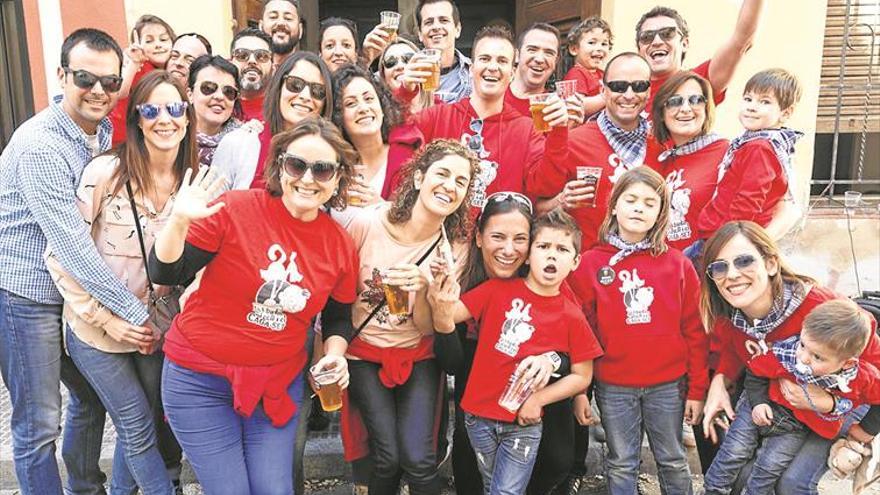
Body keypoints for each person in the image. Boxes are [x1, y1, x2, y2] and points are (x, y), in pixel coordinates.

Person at [148, 118, 359, 494]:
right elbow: (167, 270)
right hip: (200, 380)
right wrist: (178, 220)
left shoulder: (339, 244)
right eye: (297, 165)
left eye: (323, 169)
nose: (308, 179)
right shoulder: (235, 208)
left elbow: (339, 317)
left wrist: (336, 353)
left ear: (338, 178)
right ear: (279, 165)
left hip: (276, 383)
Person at [0, 28, 143, 495]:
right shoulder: (42, 144)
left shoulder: (97, 129)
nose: (99, 90)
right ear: (62, 75)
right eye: (85, 78)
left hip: (70, 294)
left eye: (110, 81)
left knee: (88, 398)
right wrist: (135, 311)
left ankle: (85, 488)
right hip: (29, 296)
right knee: (39, 423)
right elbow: (73, 246)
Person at [45, 70, 196, 495]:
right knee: (135, 425)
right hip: (97, 330)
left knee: (146, 423)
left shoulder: (192, 183)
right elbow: (61, 255)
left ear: (187, 119)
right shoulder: (105, 173)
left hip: (155, 330)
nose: (164, 118)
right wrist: (106, 319)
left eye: (174, 108)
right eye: (151, 109)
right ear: (137, 120)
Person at [427, 208, 602, 495]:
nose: (551, 255)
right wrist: (441, 288)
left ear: (575, 261)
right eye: (543, 246)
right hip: (478, 416)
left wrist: (540, 399)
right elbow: (451, 314)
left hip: (523, 420)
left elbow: (582, 375)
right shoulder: (496, 289)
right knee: (492, 484)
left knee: (505, 491)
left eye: (561, 249)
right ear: (529, 254)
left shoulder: (571, 314)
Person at [700, 221, 880, 494]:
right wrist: (720, 380)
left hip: (843, 400)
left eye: (744, 261)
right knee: (743, 472)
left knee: (792, 483)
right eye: (720, 267)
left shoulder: (824, 309)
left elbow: (873, 370)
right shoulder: (734, 316)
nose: (732, 274)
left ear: (771, 263)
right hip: (786, 406)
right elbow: (739, 350)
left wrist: (836, 408)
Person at [343, 139, 477, 495]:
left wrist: (423, 291)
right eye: (442, 174)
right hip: (364, 352)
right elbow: (339, 295)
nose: (450, 185)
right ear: (419, 178)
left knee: (418, 459)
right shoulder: (367, 225)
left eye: (460, 182)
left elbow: (425, 328)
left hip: (417, 354)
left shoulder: (454, 251)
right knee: (386, 457)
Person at [568, 166, 708, 494]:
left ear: (660, 214)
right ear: (614, 205)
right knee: (621, 461)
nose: (638, 208)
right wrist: (579, 390)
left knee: (672, 458)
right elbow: (580, 332)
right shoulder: (591, 263)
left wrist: (697, 390)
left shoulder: (678, 264)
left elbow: (695, 331)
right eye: (630, 199)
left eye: (649, 203)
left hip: (667, 385)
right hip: (614, 385)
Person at [703, 299, 880, 493]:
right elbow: (756, 370)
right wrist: (758, 403)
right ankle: (712, 490)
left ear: (846, 363)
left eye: (817, 357)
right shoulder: (787, 352)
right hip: (764, 405)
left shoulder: (861, 378)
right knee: (733, 452)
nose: (803, 358)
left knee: (769, 468)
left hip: (797, 427)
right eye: (803, 345)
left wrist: (864, 431)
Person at [401, 25, 568, 211]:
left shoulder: (527, 129)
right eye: (485, 59)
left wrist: (559, 130)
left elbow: (546, 185)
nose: (493, 67)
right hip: (442, 235)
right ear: (471, 68)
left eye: (502, 61)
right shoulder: (438, 116)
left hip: (497, 236)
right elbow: (392, 139)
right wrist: (405, 92)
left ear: (512, 73)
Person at [527, 52, 659, 252]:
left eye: (639, 86)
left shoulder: (663, 144)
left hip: (648, 267)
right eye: (618, 86)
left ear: (649, 92)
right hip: (588, 271)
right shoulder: (572, 141)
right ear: (603, 90)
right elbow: (536, 208)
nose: (629, 95)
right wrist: (561, 201)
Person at [696, 69, 804, 244]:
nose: (752, 107)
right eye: (748, 99)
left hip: (722, 237)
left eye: (765, 102)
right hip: (721, 232)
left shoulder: (759, 147)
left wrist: (730, 239)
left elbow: (748, 200)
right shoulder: (761, 142)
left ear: (786, 113)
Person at [212, 51, 334, 190]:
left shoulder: (331, 156)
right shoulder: (238, 143)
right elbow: (212, 206)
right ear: (279, 87)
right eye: (295, 84)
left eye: (318, 91)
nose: (305, 96)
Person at [329, 64, 421, 223]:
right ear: (339, 117)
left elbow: (421, 221)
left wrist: (381, 208)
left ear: (383, 106)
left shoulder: (409, 156)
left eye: (369, 99)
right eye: (351, 103)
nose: (363, 108)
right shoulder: (332, 166)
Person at [636, 1, 763, 115]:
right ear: (639, 50)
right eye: (647, 37)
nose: (657, 41)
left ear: (684, 44)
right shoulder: (623, 91)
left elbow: (742, 41)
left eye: (667, 33)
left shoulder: (699, 81)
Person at [650, 71, 728, 252]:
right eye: (675, 101)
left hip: (708, 271)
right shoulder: (661, 159)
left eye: (696, 100)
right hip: (667, 270)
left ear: (707, 107)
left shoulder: (727, 152)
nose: (686, 108)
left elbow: (784, 206)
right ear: (662, 112)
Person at [110, 15, 176, 145]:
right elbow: (120, 92)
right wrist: (134, 63)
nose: (158, 45)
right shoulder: (138, 67)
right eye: (149, 41)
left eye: (163, 39)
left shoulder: (172, 69)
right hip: (124, 139)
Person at [505, 22, 584, 127]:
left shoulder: (556, 110)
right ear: (517, 55)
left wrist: (569, 130)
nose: (539, 59)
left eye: (549, 53)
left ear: (556, 61)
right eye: (532, 50)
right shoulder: (493, 96)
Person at [187, 55, 243, 168]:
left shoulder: (245, 141)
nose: (219, 96)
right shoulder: (172, 135)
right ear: (190, 94)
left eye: (228, 91)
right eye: (208, 88)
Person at [416, 0, 471, 103]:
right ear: (419, 33)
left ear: (457, 29)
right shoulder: (406, 73)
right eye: (429, 22)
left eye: (443, 20)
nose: (436, 27)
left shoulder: (475, 72)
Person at [562, 16, 612, 117]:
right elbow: (577, 106)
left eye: (604, 44)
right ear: (574, 49)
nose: (599, 48)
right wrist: (605, 97)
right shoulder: (576, 73)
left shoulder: (603, 74)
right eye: (592, 43)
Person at [377, 37, 434, 114]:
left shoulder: (441, 109)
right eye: (390, 61)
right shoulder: (380, 114)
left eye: (409, 58)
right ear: (383, 75)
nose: (400, 66)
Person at [229, 27, 274, 123]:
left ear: (273, 68)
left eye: (262, 56)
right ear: (230, 62)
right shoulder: (217, 105)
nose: (252, 61)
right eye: (242, 55)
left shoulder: (282, 111)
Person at [261, 0, 303, 67]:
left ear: (300, 30)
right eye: (273, 17)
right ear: (261, 26)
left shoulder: (311, 74)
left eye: (288, 18)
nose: (281, 23)